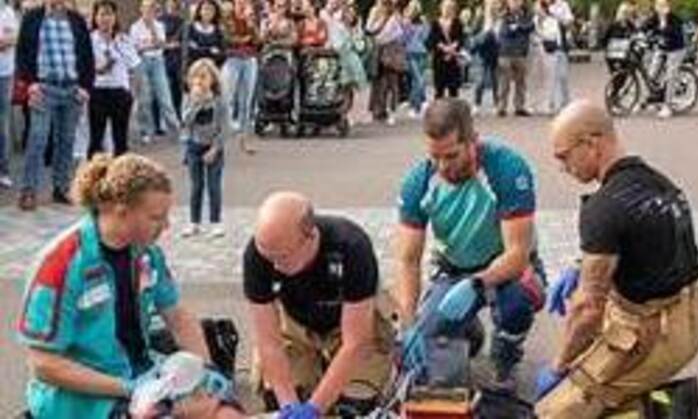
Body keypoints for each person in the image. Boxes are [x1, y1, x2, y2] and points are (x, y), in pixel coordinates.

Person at [16, 153, 246, 419]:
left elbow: (177, 316)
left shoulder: (147, 254)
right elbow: (43, 363)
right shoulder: (60, 263)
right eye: (156, 217)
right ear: (122, 211)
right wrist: (129, 389)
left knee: (226, 413)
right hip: (80, 398)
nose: (166, 226)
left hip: (143, 374)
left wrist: (206, 370)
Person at [535, 100, 698, 418]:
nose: (563, 167)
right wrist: (581, 267)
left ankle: (663, 408)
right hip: (693, 320)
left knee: (554, 411)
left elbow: (587, 310)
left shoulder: (604, 207)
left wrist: (559, 366)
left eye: (564, 156)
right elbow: (646, 244)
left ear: (590, 143)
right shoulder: (660, 183)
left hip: (656, 336)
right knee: (594, 350)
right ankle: (646, 394)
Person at [395, 98, 545, 387]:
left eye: (452, 156)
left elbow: (517, 254)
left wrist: (477, 283)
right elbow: (408, 259)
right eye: (435, 157)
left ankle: (506, 353)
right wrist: (408, 323)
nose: (443, 166)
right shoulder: (419, 181)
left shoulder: (507, 168)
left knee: (517, 303)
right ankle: (467, 332)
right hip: (453, 268)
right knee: (428, 338)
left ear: (473, 141)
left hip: (506, 267)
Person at [244, 191, 394, 418]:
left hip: (348, 323)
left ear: (311, 237)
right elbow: (269, 342)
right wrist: (288, 404)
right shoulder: (258, 254)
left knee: (355, 406)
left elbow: (356, 342)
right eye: (268, 257)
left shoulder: (351, 246)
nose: (273, 266)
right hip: (295, 324)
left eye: (282, 257)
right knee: (277, 396)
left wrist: (316, 407)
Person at [15, 0, 94, 210]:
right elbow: (22, 52)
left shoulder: (76, 19)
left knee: (66, 142)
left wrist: (85, 87)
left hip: (72, 89)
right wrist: (30, 84)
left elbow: (87, 54)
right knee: (37, 140)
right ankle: (28, 190)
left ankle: (61, 188)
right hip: (43, 88)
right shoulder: (32, 17)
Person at [180, 58, 228, 238]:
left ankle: (216, 222)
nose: (199, 81)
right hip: (194, 146)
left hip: (213, 147)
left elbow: (225, 127)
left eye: (203, 77)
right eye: (195, 77)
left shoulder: (219, 100)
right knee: (196, 186)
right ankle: (194, 222)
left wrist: (215, 149)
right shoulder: (188, 99)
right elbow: (185, 122)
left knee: (214, 186)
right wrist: (196, 104)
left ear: (212, 79)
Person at [88, 0, 140, 159]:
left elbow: (134, 65)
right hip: (98, 91)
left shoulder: (123, 39)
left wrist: (132, 93)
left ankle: (120, 171)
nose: (106, 18)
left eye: (109, 14)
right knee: (96, 139)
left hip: (120, 91)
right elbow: (85, 67)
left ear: (115, 17)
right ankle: (95, 170)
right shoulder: (89, 39)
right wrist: (101, 68)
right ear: (95, 17)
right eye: (102, 14)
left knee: (121, 139)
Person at [130, 0, 181, 145]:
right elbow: (135, 49)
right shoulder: (135, 27)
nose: (149, 11)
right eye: (146, 8)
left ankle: (175, 130)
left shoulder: (159, 25)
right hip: (141, 62)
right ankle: (146, 132)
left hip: (158, 61)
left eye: (152, 8)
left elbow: (160, 44)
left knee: (165, 97)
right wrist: (152, 46)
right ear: (141, 9)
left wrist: (152, 28)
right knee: (144, 98)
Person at [221, 0, 261, 139]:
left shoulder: (251, 19)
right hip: (233, 59)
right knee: (229, 94)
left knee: (246, 96)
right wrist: (244, 39)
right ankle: (227, 125)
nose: (243, 4)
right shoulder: (227, 18)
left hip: (250, 59)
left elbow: (258, 41)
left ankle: (244, 128)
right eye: (240, 2)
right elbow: (227, 39)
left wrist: (252, 26)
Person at [642, 0, 686, 118]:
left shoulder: (675, 19)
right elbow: (645, 26)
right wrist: (639, 32)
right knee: (651, 74)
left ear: (668, 7)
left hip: (676, 49)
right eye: (658, 5)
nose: (660, 8)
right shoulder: (655, 17)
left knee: (670, 76)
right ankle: (655, 98)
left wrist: (664, 21)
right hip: (662, 48)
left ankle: (668, 106)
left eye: (663, 5)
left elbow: (671, 32)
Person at [534, 0, 573, 115]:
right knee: (549, 77)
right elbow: (536, 25)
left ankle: (565, 103)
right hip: (546, 47)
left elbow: (569, 21)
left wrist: (556, 17)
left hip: (560, 46)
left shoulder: (562, 5)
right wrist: (542, 17)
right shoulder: (539, 5)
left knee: (563, 76)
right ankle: (550, 104)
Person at [427, 0, 465, 99]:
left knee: (453, 89)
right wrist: (444, 48)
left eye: (450, 7)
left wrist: (452, 48)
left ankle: (454, 108)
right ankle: (438, 107)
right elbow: (432, 39)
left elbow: (461, 38)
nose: (447, 10)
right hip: (439, 59)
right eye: (445, 7)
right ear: (441, 8)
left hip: (453, 59)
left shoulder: (458, 22)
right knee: (439, 88)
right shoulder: (435, 23)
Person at [0, 0, 17, 189]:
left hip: (4, 74)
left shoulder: (7, 12)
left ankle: (3, 171)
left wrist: (5, 41)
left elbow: (11, 40)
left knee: (2, 123)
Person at [187, 0, 225, 67]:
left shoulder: (218, 31)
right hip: (192, 64)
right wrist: (209, 50)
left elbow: (220, 52)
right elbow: (189, 48)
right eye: (205, 9)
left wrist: (200, 49)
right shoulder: (190, 28)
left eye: (211, 10)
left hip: (211, 65)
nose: (208, 12)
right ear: (199, 11)